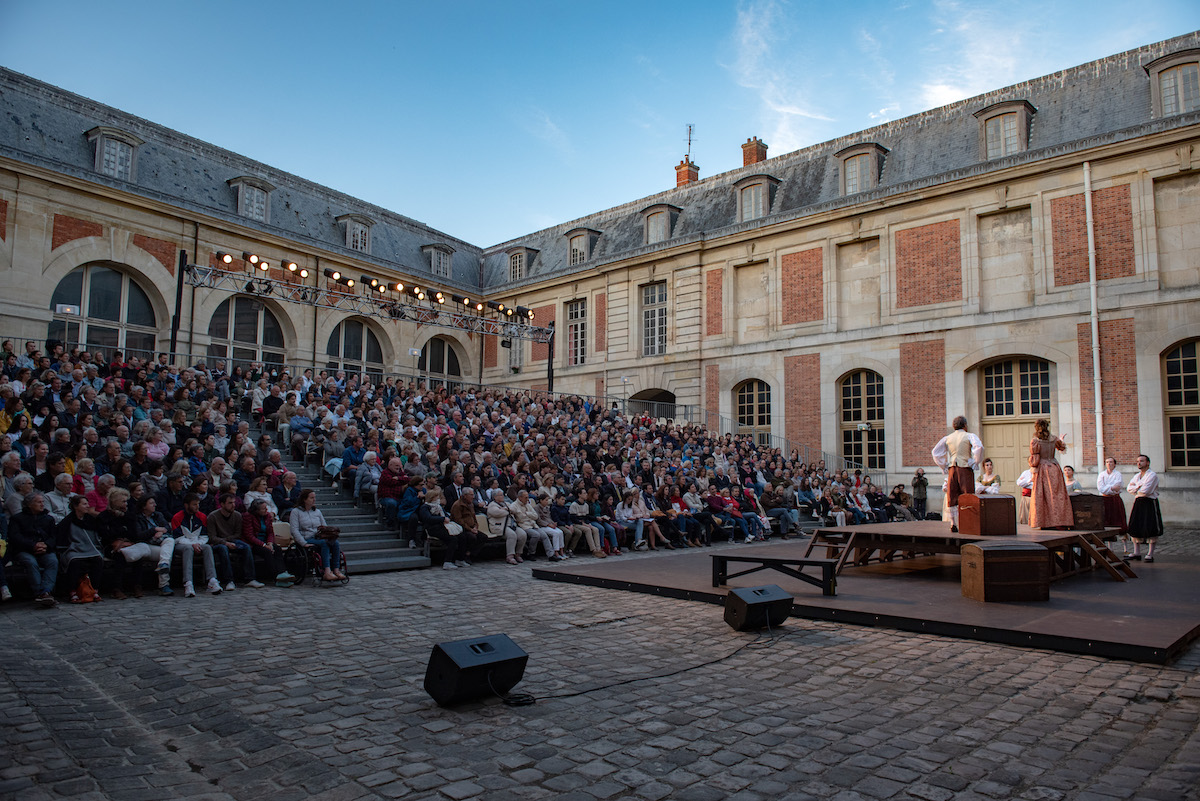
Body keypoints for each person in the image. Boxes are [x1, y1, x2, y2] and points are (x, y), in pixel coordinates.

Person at [931, 416, 983, 533]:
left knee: (952, 495)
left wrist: (943, 466)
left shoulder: (948, 438)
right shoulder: (969, 436)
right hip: (964, 469)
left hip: (952, 469)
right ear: (965, 425)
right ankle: (968, 522)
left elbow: (935, 452)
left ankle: (953, 523)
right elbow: (978, 447)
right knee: (967, 495)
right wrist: (975, 462)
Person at [8, 492, 59, 606]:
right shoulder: (17, 519)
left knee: (52, 561)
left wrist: (46, 545)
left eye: (42, 502)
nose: (42, 504)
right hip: (25, 550)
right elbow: (15, 537)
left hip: (45, 549)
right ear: (29, 504)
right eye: (38, 502)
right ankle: (40, 593)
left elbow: (54, 536)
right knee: (31, 562)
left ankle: (46, 591)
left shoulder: (48, 519)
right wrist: (33, 545)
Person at [170, 493, 223, 597]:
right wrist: (192, 544)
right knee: (188, 549)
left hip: (198, 543)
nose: (197, 507)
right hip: (182, 544)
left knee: (207, 548)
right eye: (194, 504)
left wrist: (198, 544)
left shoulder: (202, 517)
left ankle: (212, 580)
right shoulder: (177, 517)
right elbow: (177, 538)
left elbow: (204, 535)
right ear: (186, 505)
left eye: (198, 504)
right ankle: (188, 583)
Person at [56, 495, 105, 603]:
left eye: (87, 504)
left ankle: (94, 589)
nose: (88, 506)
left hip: (90, 547)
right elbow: (63, 538)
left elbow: (97, 536)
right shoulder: (68, 521)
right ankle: (72, 591)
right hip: (73, 549)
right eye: (84, 504)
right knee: (74, 561)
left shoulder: (91, 520)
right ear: (75, 506)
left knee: (97, 559)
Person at [289, 488, 345, 582]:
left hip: (318, 536)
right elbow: (294, 530)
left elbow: (324, 526)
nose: (314, 500)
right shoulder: (296, 512)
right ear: (304, 499)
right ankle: (327, 571)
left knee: (335, 543)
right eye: (311, 498)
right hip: (306, 537)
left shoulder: (317, 512)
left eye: (314, 497)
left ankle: (336, 569)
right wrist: (303, 543)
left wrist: (329, 534)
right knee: (324, 543)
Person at [1028, 419, 1073, 530]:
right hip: (1054, 467)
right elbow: (1061, 447)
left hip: (1043, 469)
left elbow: (1035, 460)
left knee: (1042, 495)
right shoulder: (1053, 438)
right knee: (1057, 494)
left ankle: (1044, 522)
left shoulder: (1035, 441)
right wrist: (1061, 440)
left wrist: (1033, 472)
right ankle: (1059, 521)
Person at [1126, 455, 1161, 562]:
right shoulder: (1137, 476)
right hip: (1138, 502)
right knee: (1135, 525)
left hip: (1149, 502)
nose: (1139, 463)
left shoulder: (1152, 475)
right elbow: (1129, 488)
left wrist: (1136, 487)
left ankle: (1150, 553)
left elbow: (1146, 491)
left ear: (1147, 463)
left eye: (1141, 461)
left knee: (1150, 526)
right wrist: (1138, 487)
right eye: (1137, 461)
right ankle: (1137, 552)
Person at [1097, 456, 1128, 549]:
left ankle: (1125, 547)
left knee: (1119, 521)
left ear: (1114, 464)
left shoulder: (1118, 474)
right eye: (1107, 462)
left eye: (1111, 462)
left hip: (1115, 500)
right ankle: (1110, 547)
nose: (1109, 464)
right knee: (1107, 522)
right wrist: (1111, 488)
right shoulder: (1102, 474)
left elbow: (1118, 486)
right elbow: (1101, 488)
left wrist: (1108, 488)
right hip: (1105, 500)